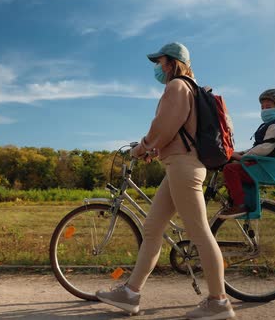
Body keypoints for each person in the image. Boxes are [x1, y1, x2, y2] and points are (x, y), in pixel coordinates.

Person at [95, 42, 236, 320]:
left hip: (184, 168)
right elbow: (178, 132)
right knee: (152, 228)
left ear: (171, 63)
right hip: (179, 166)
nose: (158, 69)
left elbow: (163, 126)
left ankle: (219, 302)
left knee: (199, 233)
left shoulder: (177, 87)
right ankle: (130, 294)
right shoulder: (192, 89)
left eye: (160, 63)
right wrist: (156, 149)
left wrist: (143, 147)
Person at [218, 89, 275, 219]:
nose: (264, 110)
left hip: (266, 169)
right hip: (265, 166)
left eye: (268, 107)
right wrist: (240, 153)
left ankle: (240, 205)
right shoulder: (271, 124)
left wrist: (242, 156)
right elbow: (260, 147)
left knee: (230, 169)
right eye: (262, 107)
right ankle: (238, 200)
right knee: (233, 168)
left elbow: (266, 147)